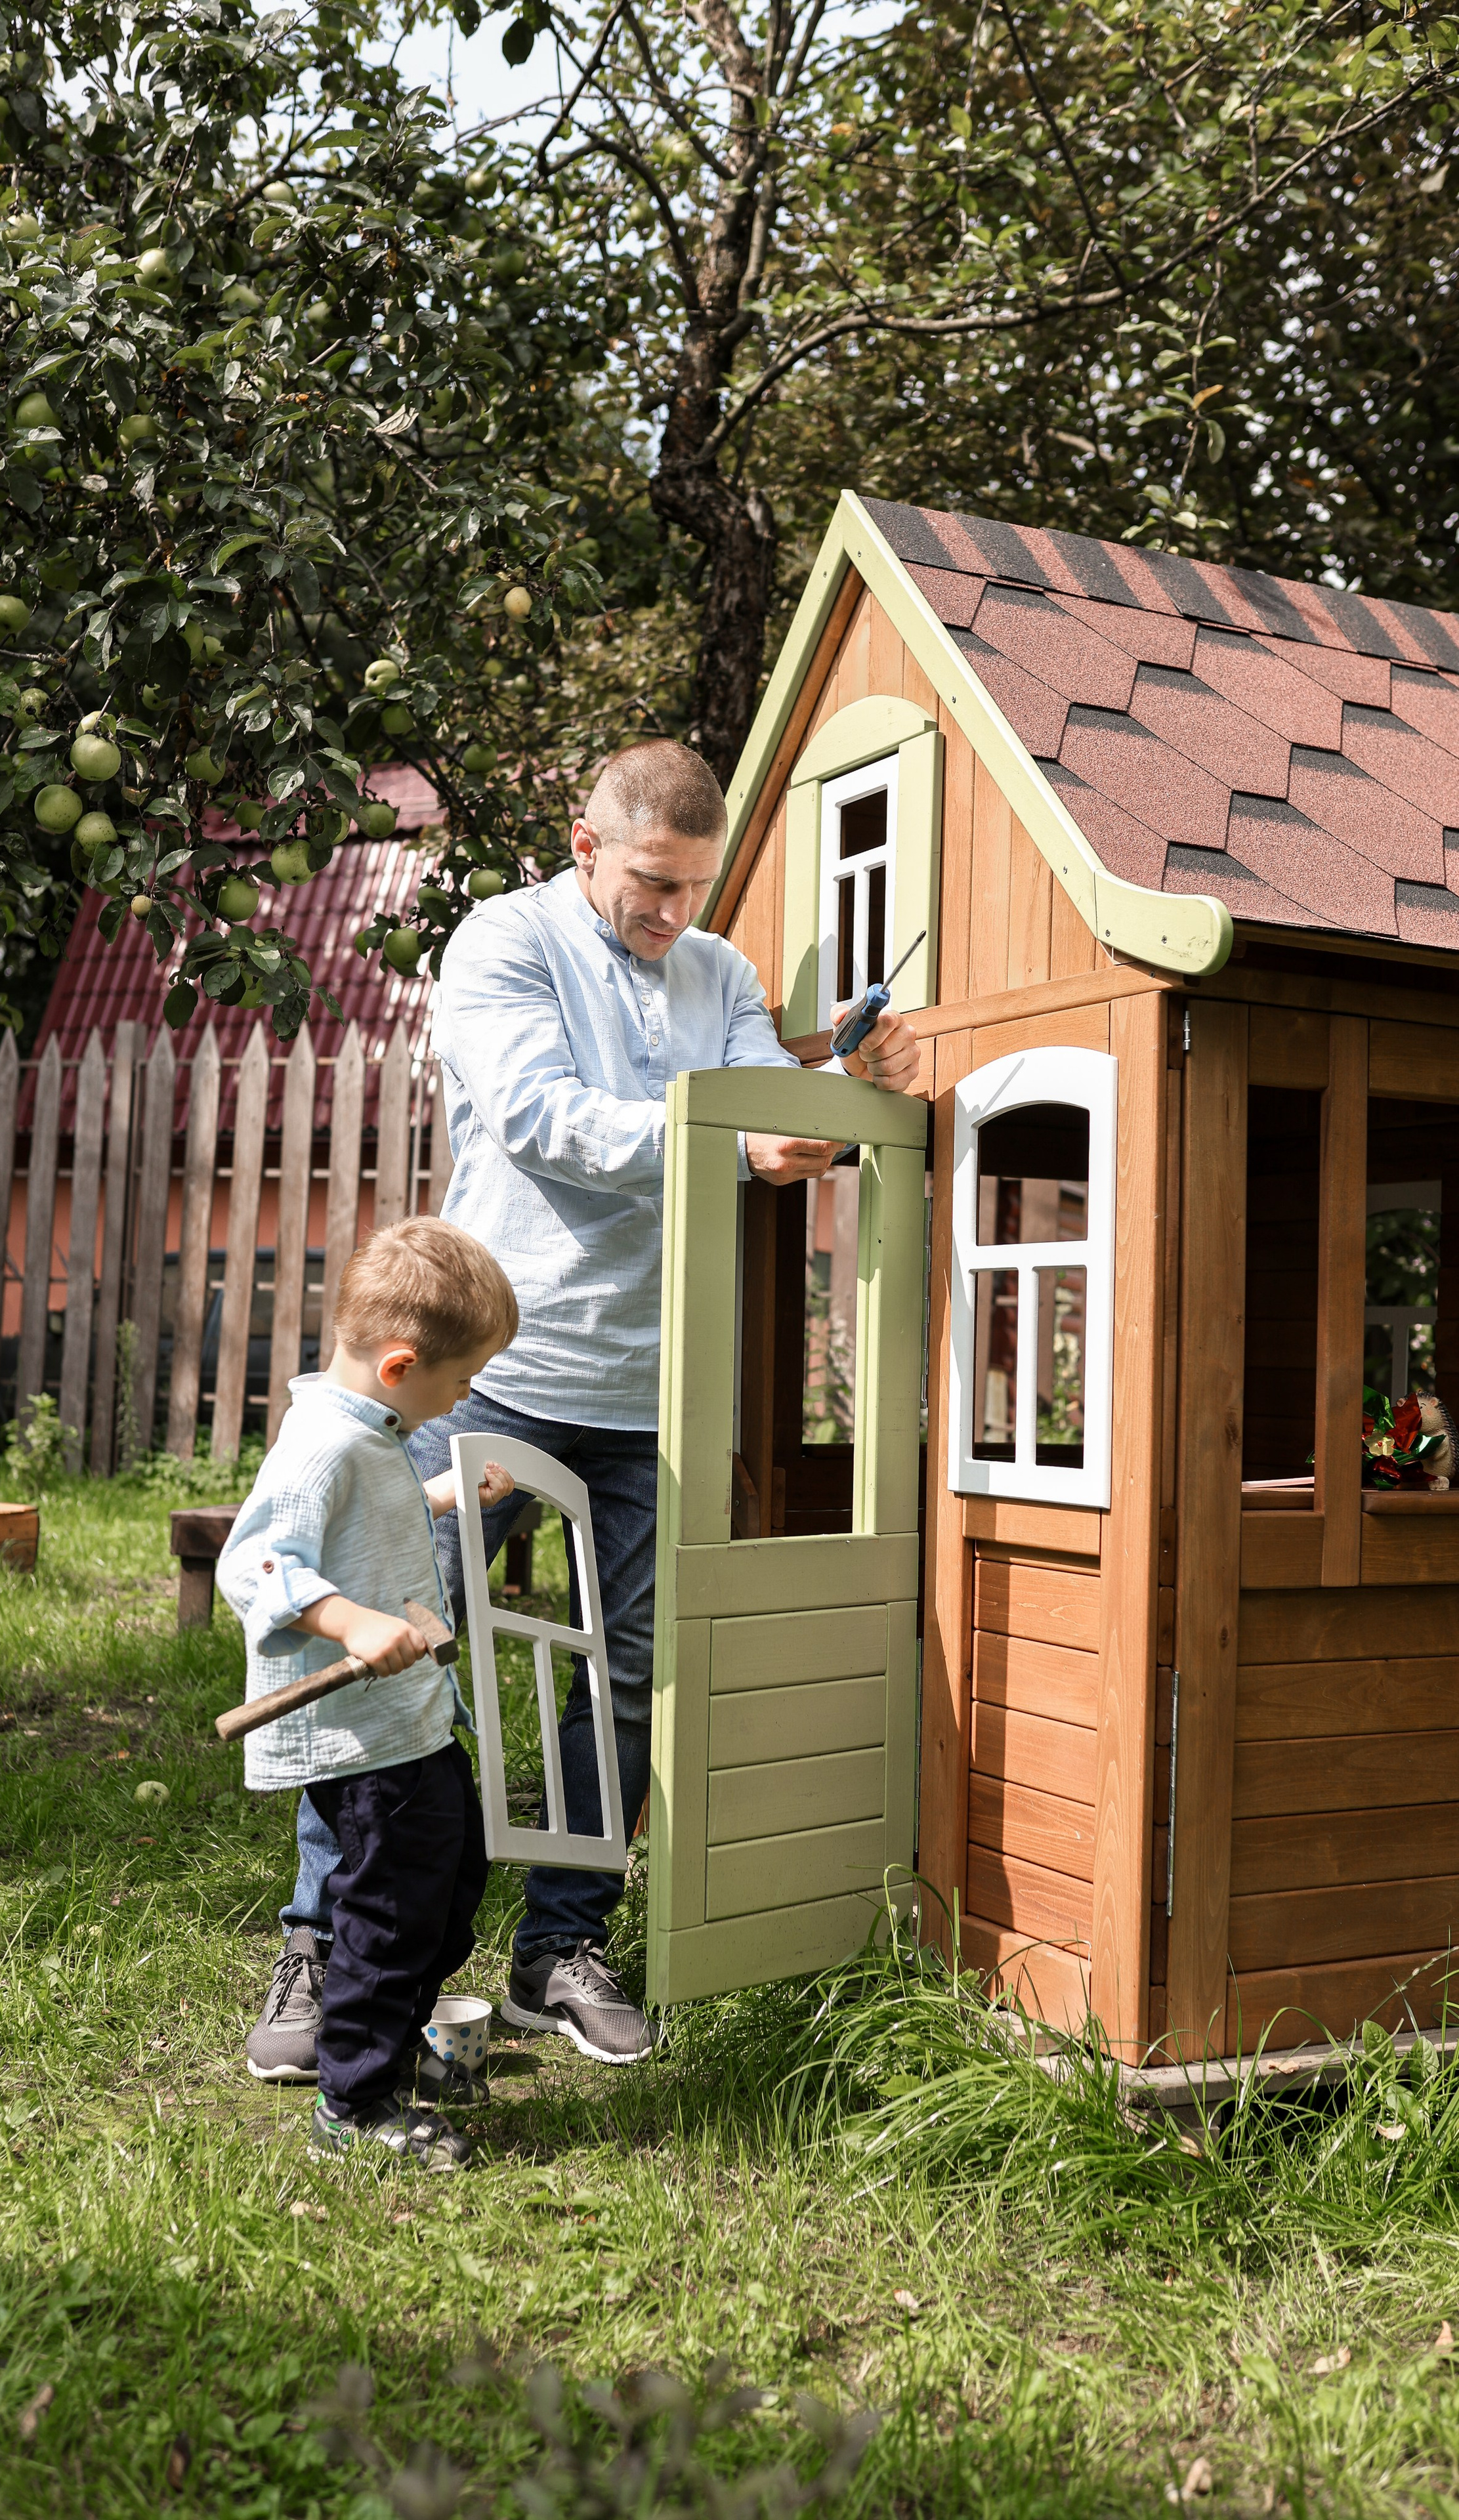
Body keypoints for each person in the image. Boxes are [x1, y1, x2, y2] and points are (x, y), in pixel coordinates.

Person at [245, 737, 920, 2080]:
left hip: (656, 1386)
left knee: (621, 1677)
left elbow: (759, 1116)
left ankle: (561, 1950)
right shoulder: (502, 946)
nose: (671, 914)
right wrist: (729, 1138)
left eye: (691, 888)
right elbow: (545, 1119)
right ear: (583, 845)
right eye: (650, 885)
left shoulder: (717, 974)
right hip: (484, 1377)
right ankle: (324, 1946)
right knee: (392, 1655)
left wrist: (819, 1108)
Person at [219, 1215, 518, 2170]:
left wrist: (436, 1498)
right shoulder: (321, 1446)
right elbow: (255, 1563)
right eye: (462, 1377)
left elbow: (364, 1516)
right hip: (362, 1742)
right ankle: (355, 2106)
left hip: (411, 1726)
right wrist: (348, 1623)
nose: (468, 1393)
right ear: (400, 1365)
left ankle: (385, 2034)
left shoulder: (371, 1433)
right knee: (391, 1913)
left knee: (451, 1886)